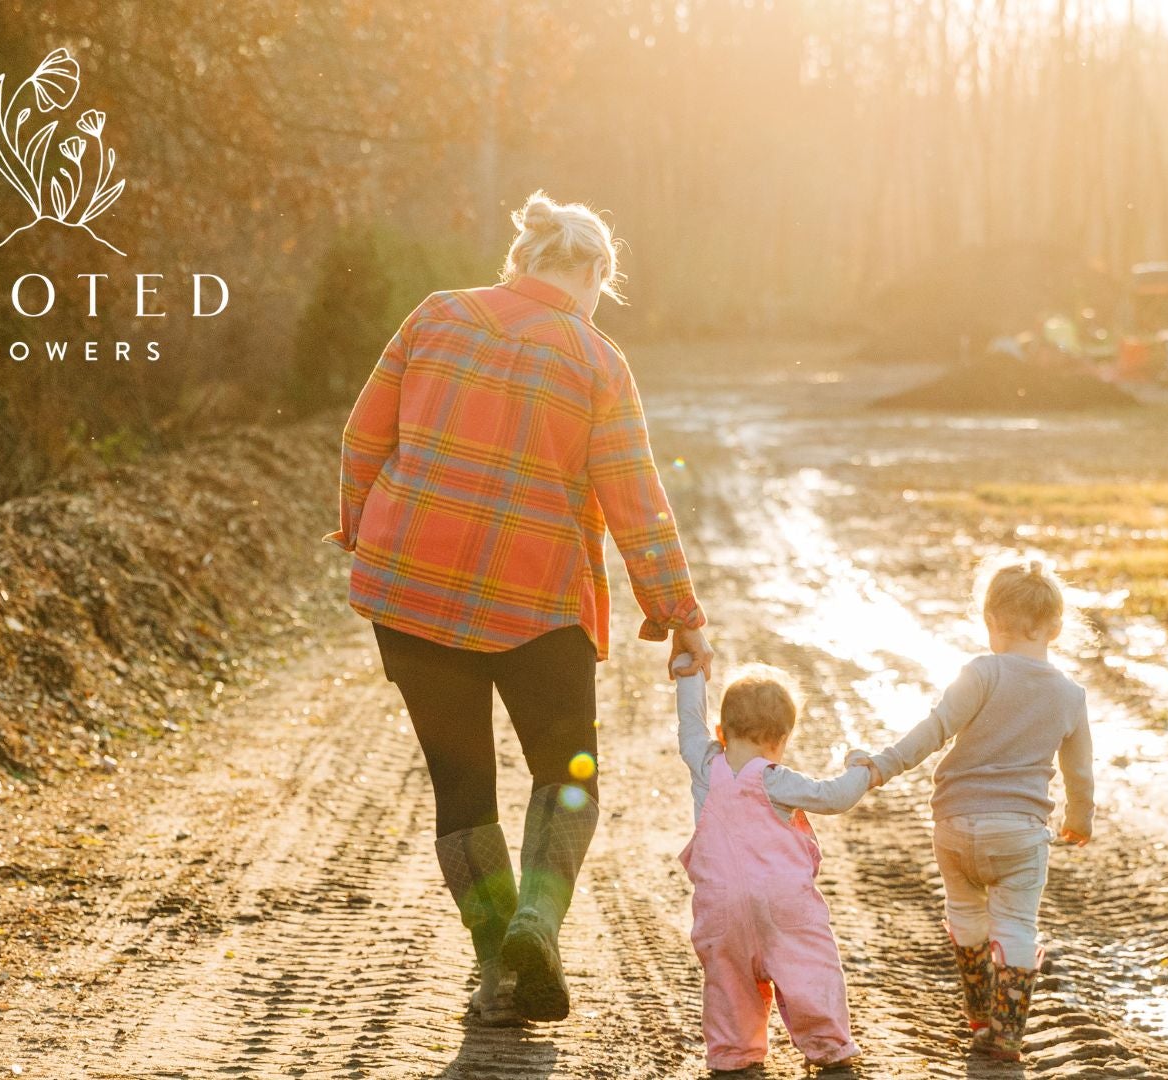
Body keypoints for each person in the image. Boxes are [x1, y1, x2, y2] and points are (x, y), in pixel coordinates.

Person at [327, 191, 713, 1025]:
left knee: (460, 789)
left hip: (412, 590)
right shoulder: (596, 359)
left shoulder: (433, 317)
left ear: (524, 259)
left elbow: (364, 438)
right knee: (567, 773)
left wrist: (362, 523)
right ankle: (536, 922)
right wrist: (677, 608)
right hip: (536, 599)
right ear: (594, 275)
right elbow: (633, 499)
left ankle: (497, 970)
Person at [849, 558, 1093, 1061]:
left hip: (955, 827)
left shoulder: (981, 672)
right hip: (1021, 835)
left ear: (989, 621)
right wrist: (1078, 819)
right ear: (1056, 626)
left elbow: (933, 730)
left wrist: (881, 766)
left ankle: (979, 1014)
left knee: (965, 915)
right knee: (1017, 925)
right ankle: (1006, 1032)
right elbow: (1079, 773)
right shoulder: (1070, 695)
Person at [673, 658, 871, 1072]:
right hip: (785, 906)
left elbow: (689, 721)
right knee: (810, 972)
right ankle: (830, 1049)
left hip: (720, 908)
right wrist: (861, 770)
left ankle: (733, 1056)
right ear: (780, 741)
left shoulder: (706, 766)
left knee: (729, 982)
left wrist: (690, 672)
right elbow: (833, 796)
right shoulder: (775, 779)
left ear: (721, 732)